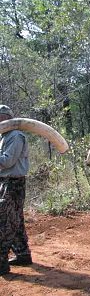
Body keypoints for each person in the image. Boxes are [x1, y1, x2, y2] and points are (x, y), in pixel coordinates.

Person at [0, 105, 32, 275]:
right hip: (6, 181)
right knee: (15, 219)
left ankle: (1, 262)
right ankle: (22, 254)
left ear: (6, 118)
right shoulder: (4, 136)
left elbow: (7, 161)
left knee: (4, 221)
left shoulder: (15, 136)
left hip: (13, 183)